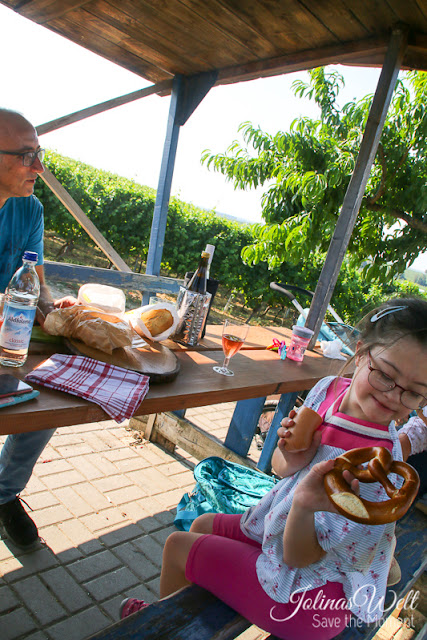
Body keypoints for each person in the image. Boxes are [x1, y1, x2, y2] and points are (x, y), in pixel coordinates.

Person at [119, 297, 427, 640]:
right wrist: (292, 453)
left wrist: (306, 502)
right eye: (385, 375)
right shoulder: (329, 389)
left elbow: (301, 557)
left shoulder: (376, 469)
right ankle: (198, 609)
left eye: (414, 393)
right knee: (203, 523)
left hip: (311, 598)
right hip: (279, 525)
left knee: (178, 545)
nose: (393, 397)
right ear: (360, 352)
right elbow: (282, 470)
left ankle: (165, 629)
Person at [0, 108, 75, 550]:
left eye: (39, 152)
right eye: (28, 155)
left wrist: (53, 308)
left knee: (46, 403)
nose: (40, 167)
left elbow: (37, 283)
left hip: (9, 339)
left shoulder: (30, 209)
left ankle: (4, 493)